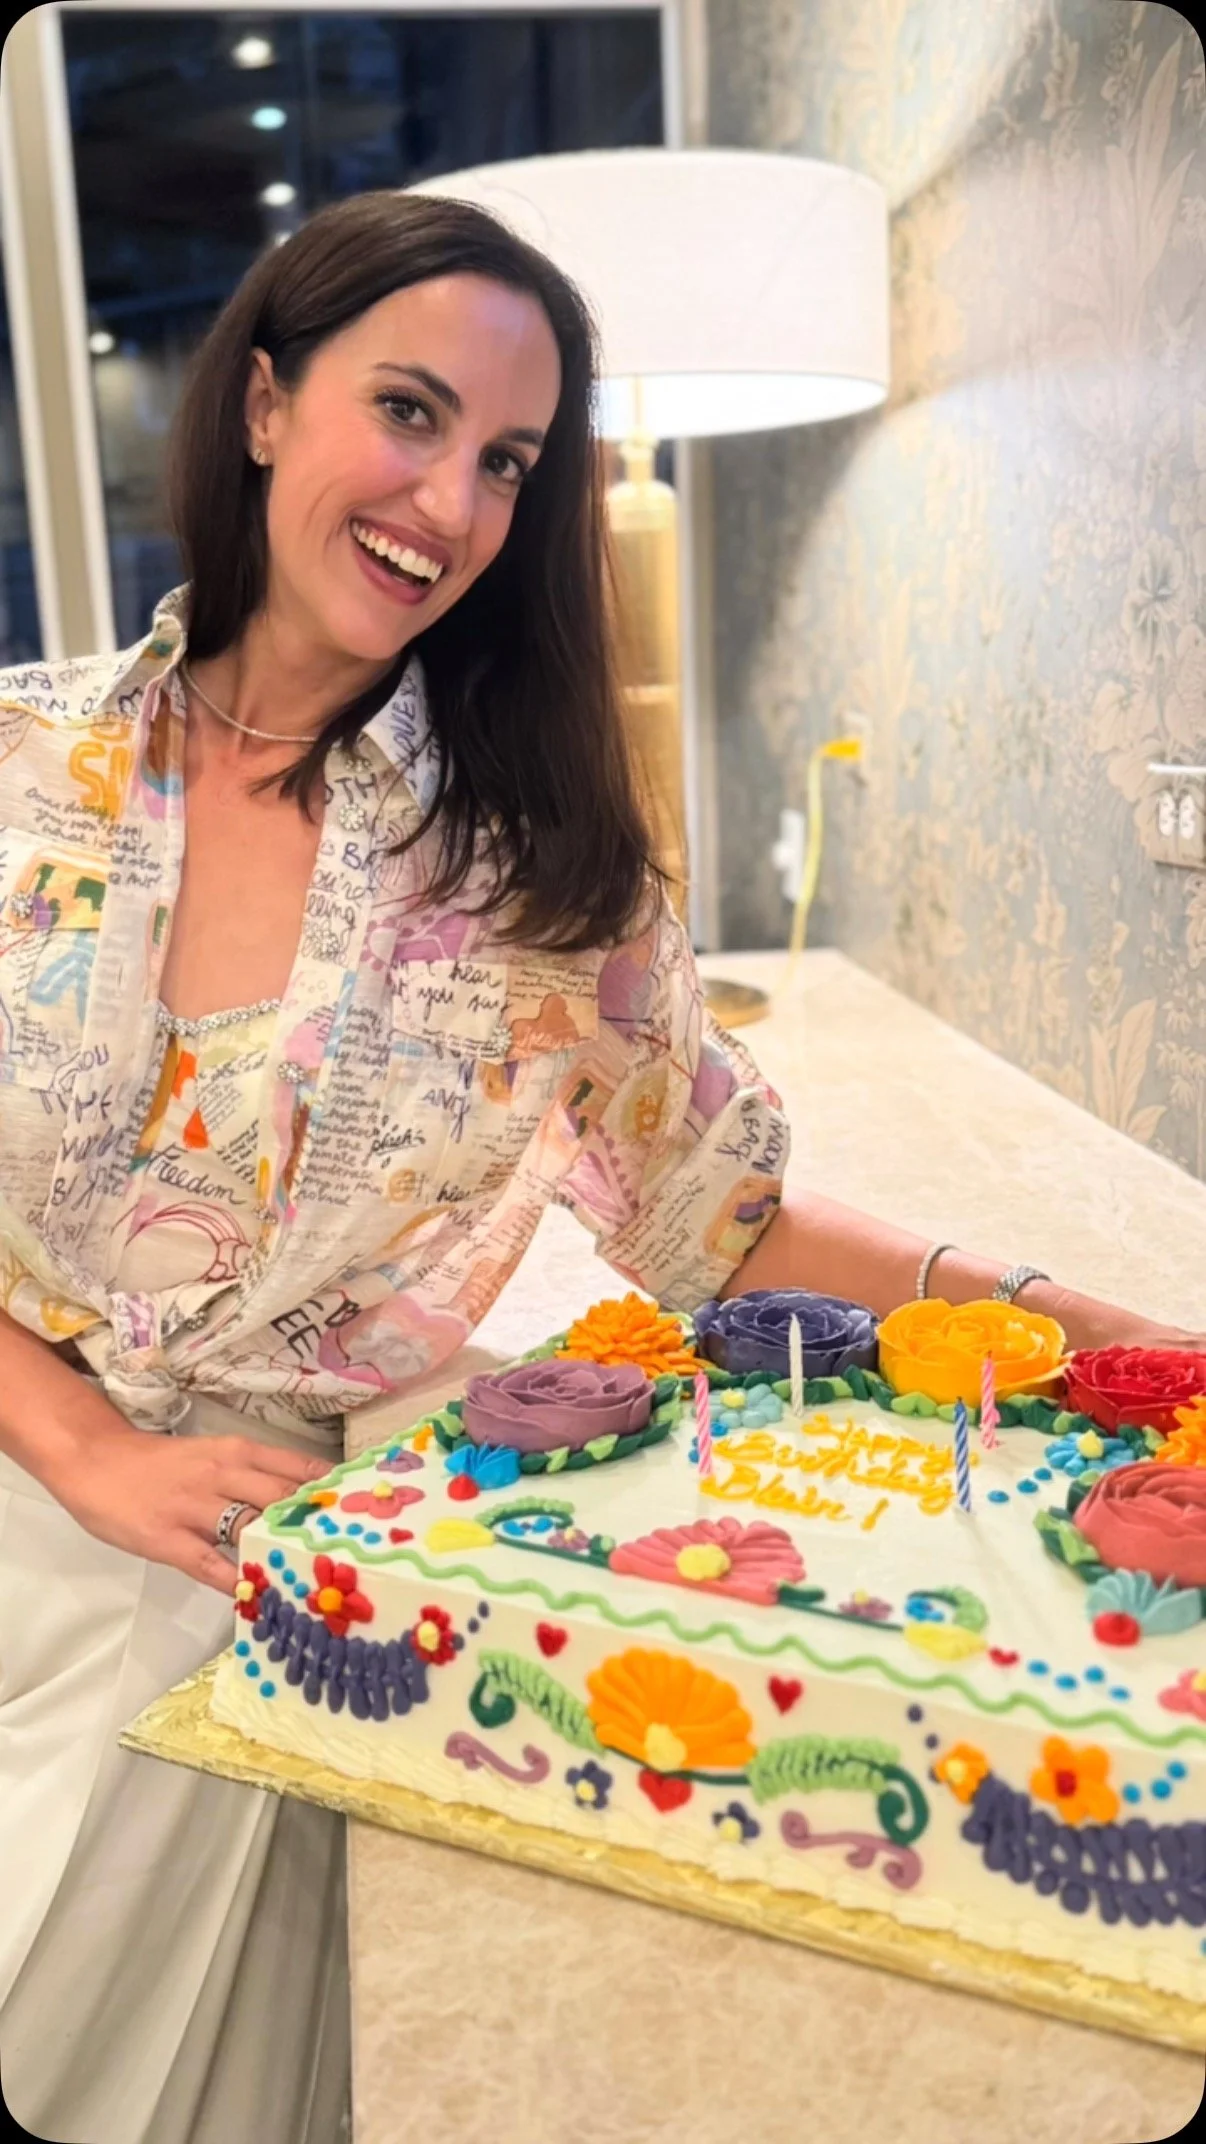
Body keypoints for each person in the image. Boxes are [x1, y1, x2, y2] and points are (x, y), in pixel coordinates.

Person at [0, 189, 1197, 2144]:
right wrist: (72, 1443)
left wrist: (1114, 1333)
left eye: (508, 461)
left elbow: (729, 1221)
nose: (450, 501)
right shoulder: (19, 765)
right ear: (267, 404)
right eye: (409, 412)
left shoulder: (533, 876)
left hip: (252, 1570)